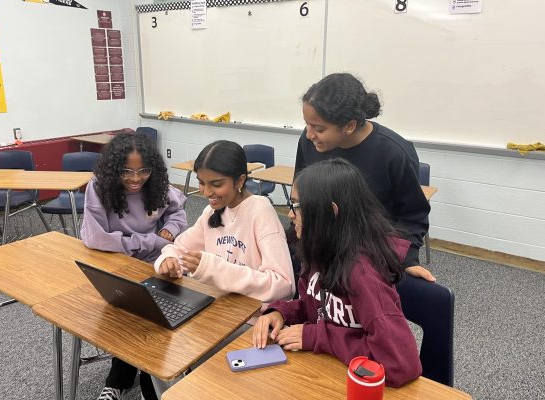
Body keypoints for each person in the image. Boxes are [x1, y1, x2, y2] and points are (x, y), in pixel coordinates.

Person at [253, 159, 422, 388]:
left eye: (298, 206)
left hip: (361, 385)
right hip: (326, 371)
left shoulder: (362, 274)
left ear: (331, 212)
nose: (291, 215)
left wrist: (316, 337)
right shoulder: (320, 250)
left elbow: (399, 365)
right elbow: (317, 308)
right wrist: (282, 312)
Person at [295, 72, 434, 282]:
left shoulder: (394, 153)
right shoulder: (309, 143)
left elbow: (413, 216)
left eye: (319, 128)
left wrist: (407, 259)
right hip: (321, 246)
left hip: (369, 255)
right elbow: (302, 191)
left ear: (349, 126)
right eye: (307, 124)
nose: (309, 134)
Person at [80, 132, 187, 400]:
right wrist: (148, 241)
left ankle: (149, 384)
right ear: (114, 168)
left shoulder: (158, 185)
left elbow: (179, 212)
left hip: (154, 264)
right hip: (116, 262)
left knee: (155, 322)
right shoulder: (99, 187)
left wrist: (170, 231)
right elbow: (95, 237)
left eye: (143, 171)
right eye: (127, 171)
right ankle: (119, 381)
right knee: (125, 320)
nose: (136, 178)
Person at [155, 139, 295, 308]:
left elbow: (284, 286)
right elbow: (177, 248)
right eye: (201, 182)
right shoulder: (212, 212)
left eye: (216, 184)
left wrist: (216, 270)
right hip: (216, 308)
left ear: (240, 181)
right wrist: (168, 259)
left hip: (249, 318)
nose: (206, 192)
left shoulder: (260, 211)